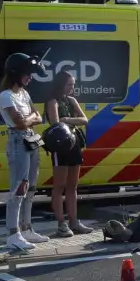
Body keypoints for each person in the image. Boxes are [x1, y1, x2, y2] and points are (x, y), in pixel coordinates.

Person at [0, 53, 49, 251]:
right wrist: (29, 119)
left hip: (30, 138)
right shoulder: (6, 96)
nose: (30, 77)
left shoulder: (24, 95)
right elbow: (19, 123)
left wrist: (27, 119)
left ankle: (27, 228)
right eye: (27, 73)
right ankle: (13, 233)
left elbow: (38, 117)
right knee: (19, 186)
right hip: (18, 140)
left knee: (32, 186)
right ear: (16, 73)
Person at [44, 70, 92, 237]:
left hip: (74, 144)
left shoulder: (72, 100)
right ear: (61, 85)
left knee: (73, 185)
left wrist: (67, 120)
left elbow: (84, 119)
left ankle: (74, 221)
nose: (72, 87)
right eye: (69, 84)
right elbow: (56, 123)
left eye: (73, 84)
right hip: (60, 146)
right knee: (59, 186)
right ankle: (61, 224)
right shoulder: (53, 101)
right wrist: (65, 121)